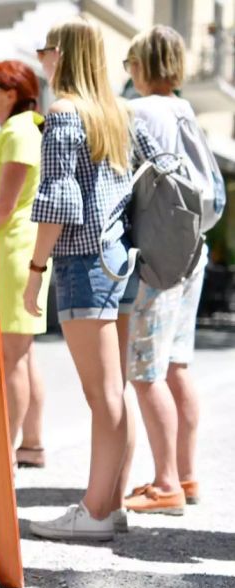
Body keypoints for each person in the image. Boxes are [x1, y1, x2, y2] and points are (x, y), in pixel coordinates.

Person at [23, 18, 158, 541]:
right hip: (121, 259)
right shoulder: (116, 115)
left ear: (63, 54)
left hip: (84, 262)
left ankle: (96, 511)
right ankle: (112, 504)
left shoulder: (63, 113)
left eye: (45, 49)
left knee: (102, 396)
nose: (41, 57)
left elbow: (59, 198)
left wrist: (36, 271)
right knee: (114, 392)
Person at [122, 25, 212, 515]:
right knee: (177, 366)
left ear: (139, 65)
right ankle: (188, 475)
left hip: (158, 255)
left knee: (144, 368)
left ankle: (164, 484)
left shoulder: (140, 112)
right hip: (191, 248)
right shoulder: (185, 111)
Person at [0, 60, 50, 468]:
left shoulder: (19, 132)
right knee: (22, 354)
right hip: (16, 249)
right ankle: (32, 444)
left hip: (11, 250)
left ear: (10, 93)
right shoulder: (19, 130)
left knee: (12, 357)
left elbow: (3, 206)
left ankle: (3, 453)